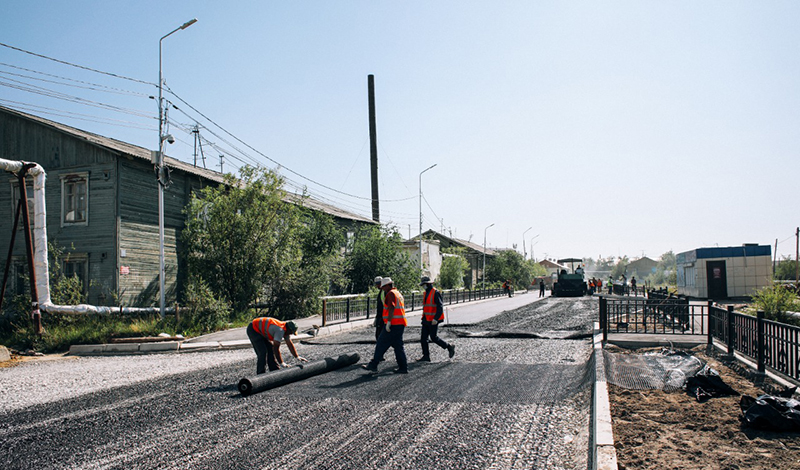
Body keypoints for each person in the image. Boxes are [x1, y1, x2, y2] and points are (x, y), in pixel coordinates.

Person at [363, 277, 409, 374]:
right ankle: (403, 367)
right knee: (398, 346)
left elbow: (391, 307)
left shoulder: (391, 294)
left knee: (381, 342)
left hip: (393, 324)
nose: (382, 288)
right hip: (400, 323)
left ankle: (373, 364)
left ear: (388, 285)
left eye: (383, 287)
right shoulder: (398, 293)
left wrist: (388, 322)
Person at [417, 276, 455, 362]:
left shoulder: (435, 292)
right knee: (423, 338)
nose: (423, 286)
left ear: (428, 284)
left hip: (433, 320)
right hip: (426, 319)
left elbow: (440, 306)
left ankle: (449, 347)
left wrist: (436, 318)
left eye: (424, 284)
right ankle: (426, 356)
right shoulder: (426, 293)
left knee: (433, 337)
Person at [372, 276, 386, 342]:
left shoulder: (384, 292)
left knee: (380, 336)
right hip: (381, 317)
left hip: (383, 317)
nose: (378, 285)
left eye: (379, 283)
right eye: (377, 284)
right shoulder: (382, 292)